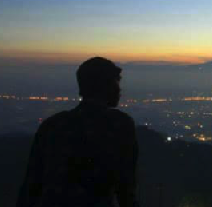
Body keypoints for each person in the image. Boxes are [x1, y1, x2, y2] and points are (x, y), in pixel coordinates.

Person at [17, 57, 139, 207]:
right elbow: (126, 188)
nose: (119, 89)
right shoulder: (119, 124)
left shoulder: (53, 125)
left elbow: (31, 185)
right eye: (116, 82)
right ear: (105, 86)